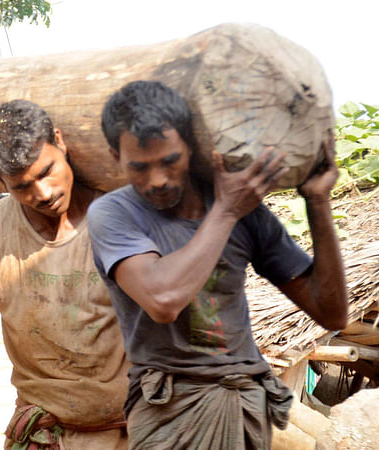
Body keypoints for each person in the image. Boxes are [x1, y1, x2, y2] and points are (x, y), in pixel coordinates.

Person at [86, 80, 348, 449]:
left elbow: (332, 313)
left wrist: (318, 203)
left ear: (192, 148)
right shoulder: (114, 214)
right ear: (116, 157)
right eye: (139, 167)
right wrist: (226, 211)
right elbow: (163, 300)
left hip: (244, 407)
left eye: (169, 161)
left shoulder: (246, 213)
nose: (157, 180)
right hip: (170, 411)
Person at [0, 99, 130, 449]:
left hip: (129, 432)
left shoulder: (122, 220)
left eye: (46, 171)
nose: (43, 193)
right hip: (42, 433)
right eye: (22, 186)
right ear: (0, 183)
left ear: (60, 141)